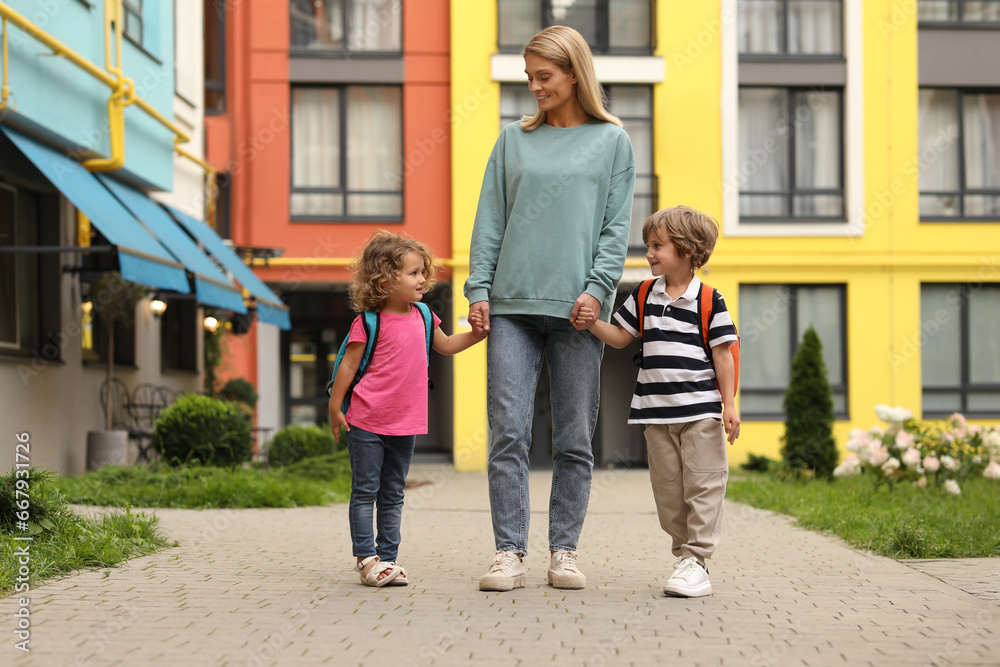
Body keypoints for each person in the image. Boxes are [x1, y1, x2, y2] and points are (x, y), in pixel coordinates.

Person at [465, 26, 636, 592]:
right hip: (511, 306)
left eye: (546, 76)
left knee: (573, 439)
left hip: (580, 311)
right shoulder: (513, 140)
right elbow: (490, 220)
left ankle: (563, 550)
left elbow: (615, 230)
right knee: (508, 432)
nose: (534, 87)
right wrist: (478, 291)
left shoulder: (613, 143)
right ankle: (508, 552)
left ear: (574, 74)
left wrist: (597, 288)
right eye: (529, 77)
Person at [577, 205, 740, 598]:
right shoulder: (645, 293)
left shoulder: (709, 300)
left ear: (687, 249)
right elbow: (620, 337)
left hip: (700, 412)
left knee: (702, 485)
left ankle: (698, 561)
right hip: (655, 415)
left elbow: (723, 353)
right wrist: (590, 323)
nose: (648, 253)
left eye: (656, 246)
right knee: (668, 490)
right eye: (649, 245)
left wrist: (729, 406)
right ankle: (684, 556)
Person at [329, 231, 486, 587]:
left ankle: (388, 558)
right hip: (366, 420)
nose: (423, 280)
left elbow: (445, 347)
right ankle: (366, 558)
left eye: (423, 273)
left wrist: (476, 335)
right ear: (384, 279)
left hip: (405, 423)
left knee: (393, 493)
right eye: (413, 273)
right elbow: (348, 367)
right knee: (366, 490)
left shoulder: (425, 316)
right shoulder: (369, 322)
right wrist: (335, 408)